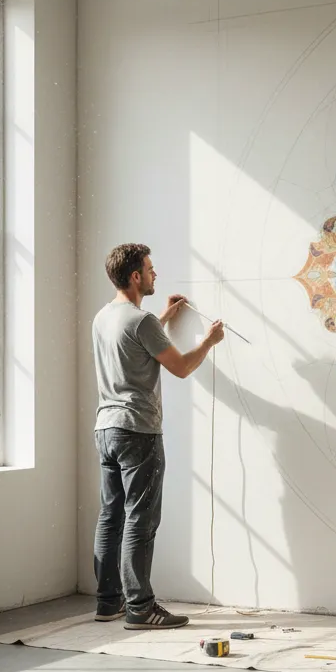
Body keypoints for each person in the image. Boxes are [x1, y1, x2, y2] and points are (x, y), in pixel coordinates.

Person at [91, 243, 224, 629]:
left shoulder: (103, 318)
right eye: (149, 269)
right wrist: (208, 342)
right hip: (138, 430)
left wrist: (165, 315)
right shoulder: (141, 320)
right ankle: (141, 608)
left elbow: (134, 344)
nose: (154, 274)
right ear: (135, 276)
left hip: (106, 428)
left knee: (111, 517)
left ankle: (108, 602)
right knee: (140, 521)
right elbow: (181, 367)